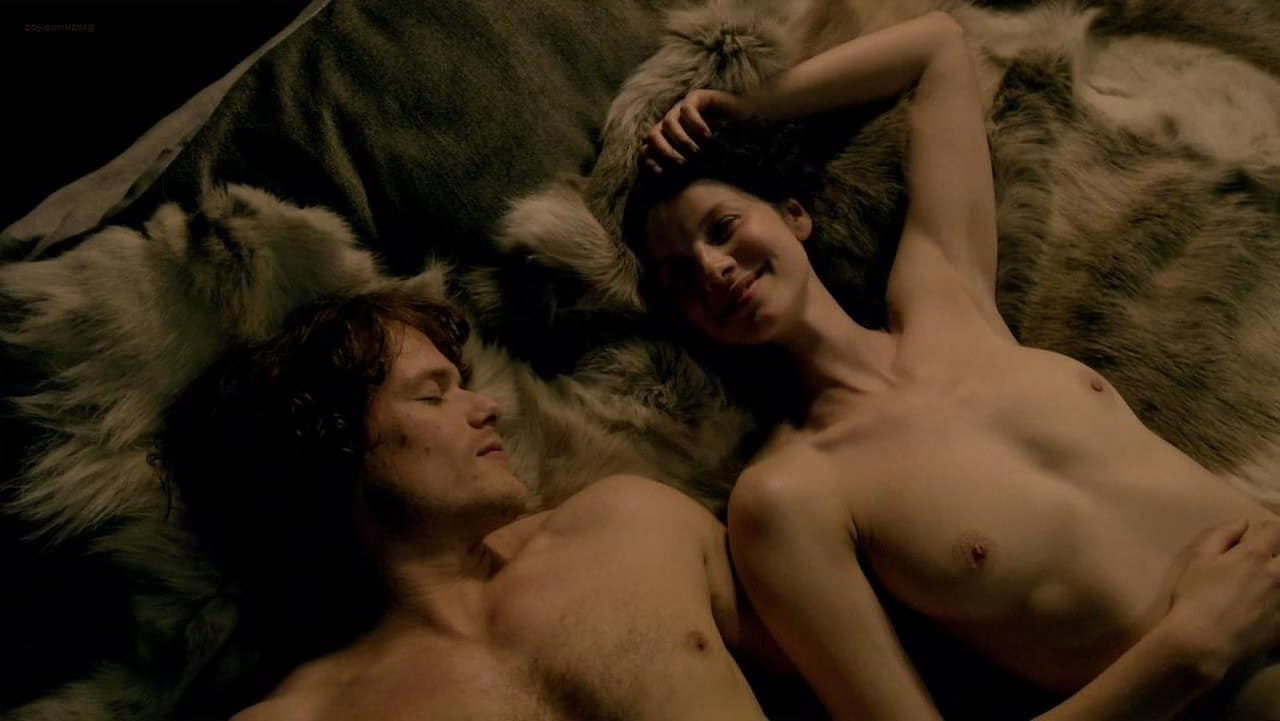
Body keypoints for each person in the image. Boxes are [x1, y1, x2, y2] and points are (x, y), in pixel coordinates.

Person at [634, 10, 1280, 721]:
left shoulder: (944, 295)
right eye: (678, 276)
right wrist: (1187, 653)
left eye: (723, 227)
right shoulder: (789, 496)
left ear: (793, 214)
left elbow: (937, 47)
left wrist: (746, 106)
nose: (714, 269)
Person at [157, 288, 797, 720]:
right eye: (432, 395)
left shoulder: (631, 523)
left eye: (462, 384)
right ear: (333, 446)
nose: (487, 407)